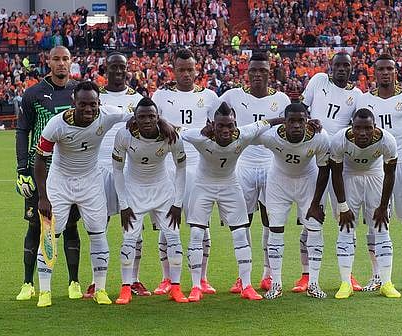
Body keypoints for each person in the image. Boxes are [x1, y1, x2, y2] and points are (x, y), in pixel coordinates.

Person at [34, 81, 132, 307]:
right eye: (83, 104)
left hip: (91, 182)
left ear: (99, 103)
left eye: (93, 104)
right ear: (73, 103)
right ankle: (45, 292)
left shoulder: (107, 115)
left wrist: (164, 125)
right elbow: (40, 159)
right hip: (60, 182)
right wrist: (43, 196)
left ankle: (100, 289)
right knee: (51, 234)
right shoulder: (56, 125)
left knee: (98, 233)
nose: (89, 109)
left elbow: (137, 116)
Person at [181, 102, 283, 302]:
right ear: (213, 125)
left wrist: (288, 120)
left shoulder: (243, 134)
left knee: (240, 234)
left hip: (230, 185)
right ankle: (195, 286)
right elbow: (178, 130)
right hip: (203, 186)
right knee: (195, 233)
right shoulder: (199, 136)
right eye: (221, 126)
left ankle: (246, 286)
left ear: (236, 124)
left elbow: (267, 122)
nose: (226, 130)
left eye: (230, 125)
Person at [220, 52, 291, 293]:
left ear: (269, 73)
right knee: (243, 221)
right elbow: (215, 120)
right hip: (244, 163)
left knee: (270, 220)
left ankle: (268, 274)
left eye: (263, 71)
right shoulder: (232, 96)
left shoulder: (281, 99)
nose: (258, 75)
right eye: (254, 71)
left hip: (272, 164)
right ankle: (244, 276)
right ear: (247, 72)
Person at [15, 46, 82, 301]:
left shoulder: (79, 92)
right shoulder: (33, 94)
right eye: (57, 59)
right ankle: (27, 283)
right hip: (39, 169)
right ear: (49, 62)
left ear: (71, 62)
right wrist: (22, 168)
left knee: (71, 226)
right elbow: (22, 131)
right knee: (35, 225)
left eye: (66, 59)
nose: (61, 63)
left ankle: (74, 282)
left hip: (70, 171)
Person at [357, 54, 402, 292]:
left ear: (396, 72)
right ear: (374, 73)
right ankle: (377, 275)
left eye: (390, 68)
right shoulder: (365, 100)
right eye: (381, 69)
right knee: (375, 222)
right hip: (376, 169)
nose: (385, 72)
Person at [152, 49, 220, 296]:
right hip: (169, 167)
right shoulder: (160, 95)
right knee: (166, 223)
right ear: (173, 70)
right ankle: (166, 278)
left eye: (190, 69)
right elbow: (151, 121)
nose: (186, 74)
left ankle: (202, 278)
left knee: (201, 223)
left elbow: (219, 128)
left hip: (200, 168)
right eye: (181, 69)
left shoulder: (210, 97)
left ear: (196, 69)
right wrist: (164, 124)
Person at [83, 52, 149, 299]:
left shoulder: (138, 98)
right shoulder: (94, 97)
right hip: (98, 167)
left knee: (134, 225)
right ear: (105, 69)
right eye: (113, 67)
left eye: (122, 67)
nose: (118, 71)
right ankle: (95, 280)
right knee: (98, 224)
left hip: (128, 170)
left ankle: (133, 279)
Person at [112, 97, 189, 304]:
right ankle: (126, 288)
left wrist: (177, 203)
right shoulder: (124, 135)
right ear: (134, 119)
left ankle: (176, 288)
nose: (147, 120)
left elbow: (181, 169)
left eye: (151, 116)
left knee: (173, 236)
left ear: (158, 117)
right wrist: (124, 205)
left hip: (163, 190)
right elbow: (117, 171)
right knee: (129, 239)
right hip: (134, 190)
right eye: (142, 117)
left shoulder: (171, 136)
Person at [298, 51, 364, 293]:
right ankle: (306, 276)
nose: (342, 70)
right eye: (338, 65)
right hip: (313, 160)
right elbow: (301, 109)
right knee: (310, 218)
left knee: (345, 217)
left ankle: (348, 275)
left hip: (338, 163)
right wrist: (308, 122)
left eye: (346, 66)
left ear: (351, 69)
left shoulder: (356, 95)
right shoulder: (317, 80)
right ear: (331, 67)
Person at [254, 103, 330, 299]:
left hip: (309, 181)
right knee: (276, 229)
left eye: (301, 121)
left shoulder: (320, 137)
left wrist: (315, 203)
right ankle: (276, 283)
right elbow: (248, 134)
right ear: (284, 122)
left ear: (308, 121)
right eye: (291, 121)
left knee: (314, 228)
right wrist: (274, 121)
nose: (297, 125)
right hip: (279, 182)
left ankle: (314, 283)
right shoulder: (270, 136)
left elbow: (324, 169)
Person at [330, 108, 400, 299]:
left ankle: (386, 283)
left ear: (375, 127)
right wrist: (342, 205)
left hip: (375, 176)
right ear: (351, 127)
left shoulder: (387, 140)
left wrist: (383, 206)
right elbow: (335, 172)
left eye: (367, 128)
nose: (362, 133)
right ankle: (346, 283)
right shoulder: (339, 139)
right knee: (345, 229)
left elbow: (390, 173)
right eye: (358, 128)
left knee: (381, 228)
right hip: (348, 176)